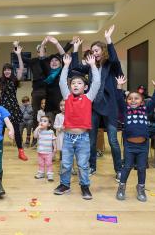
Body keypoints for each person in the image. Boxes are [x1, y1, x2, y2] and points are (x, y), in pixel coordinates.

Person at [72, 25, 123, 180]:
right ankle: (92, 166)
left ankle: (119, 170)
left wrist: (108, 39)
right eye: (92, 51)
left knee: (113, 141)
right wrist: (75, 49)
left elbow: (114, 59)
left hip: (110, 107)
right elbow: (75, 67)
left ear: (103, 51)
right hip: (93, 107)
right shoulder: (90, 67)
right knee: (92, 140)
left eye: (96, 50)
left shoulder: (111, 65)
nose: (94, 53)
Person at [54, 54, 100, 200]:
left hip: (83, 138)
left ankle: (85, 186)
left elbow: (97, 83)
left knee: (83, 164)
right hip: (67, 137)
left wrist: (93, 66)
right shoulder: (67, 98)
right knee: (66, 164)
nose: (75, 85)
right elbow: (62, 82)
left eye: (79, 83)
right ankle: (65, 184)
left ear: (85, 87)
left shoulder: (88, 98)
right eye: (73, 83)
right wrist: (66, 65)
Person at [116, 76, 155, 202]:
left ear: (142, 101)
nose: (133, 100)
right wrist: (119, 87)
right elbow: (118, 99)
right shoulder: (126, 110)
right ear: (127, 101)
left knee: (142, 168)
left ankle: (141, 188)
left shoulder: (145, 110)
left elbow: (153, 101)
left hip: (143, 146)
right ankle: (121, 187)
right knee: (127, 167)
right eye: (130, 99)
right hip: (129, 146)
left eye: (136, 98)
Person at [0, 43, 28, 161]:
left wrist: (18, 55)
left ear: (11, 71)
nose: (7, 71)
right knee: (0, 130)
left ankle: (20, 151)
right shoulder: (0, 80)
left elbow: (21, 68)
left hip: (13, 108)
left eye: (9, 70)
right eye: (5, 70)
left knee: (16, 130)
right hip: (2, 108)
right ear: (3, 71)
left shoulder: (15, 80)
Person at [33, 116, 56, 181]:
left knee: (49, 163)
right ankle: (41, 173)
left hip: (48, 152)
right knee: (41, 163)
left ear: (49, 124)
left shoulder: (51, 132)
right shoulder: (39, 131)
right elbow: (35, 136)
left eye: (45, 121)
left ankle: (50, 174)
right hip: (40, 152)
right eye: (41, 121)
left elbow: (53, 140)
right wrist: (37, 128)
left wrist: (55, 148)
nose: (42, 122)